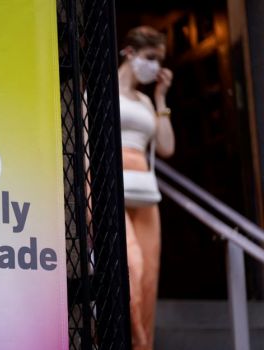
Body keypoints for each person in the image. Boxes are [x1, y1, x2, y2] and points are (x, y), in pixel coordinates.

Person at [118, 26, 175, 350]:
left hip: (145, 193)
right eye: (150, 58)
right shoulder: (102, 89)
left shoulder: (144, 99)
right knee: (130, 269)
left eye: (160, 60)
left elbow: (166, 147)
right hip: (113, 190)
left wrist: (161, 98)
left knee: (150, 276)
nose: (155, 66)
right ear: (130, 52)